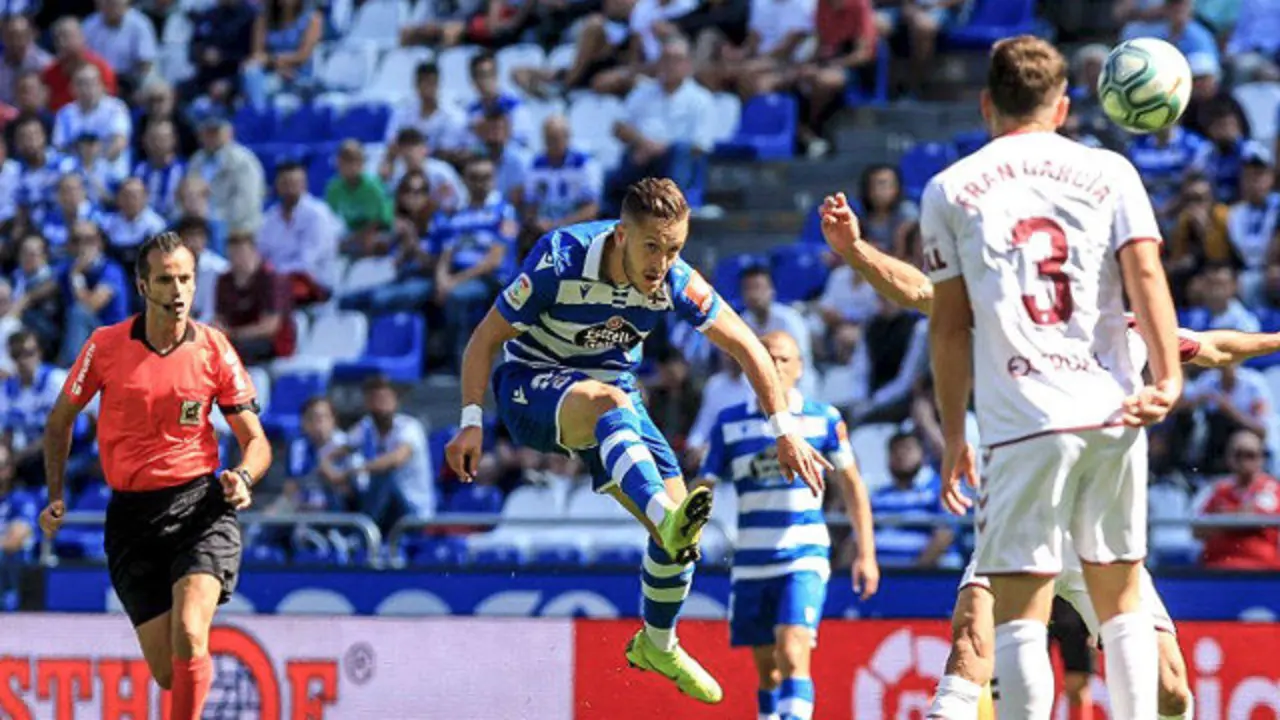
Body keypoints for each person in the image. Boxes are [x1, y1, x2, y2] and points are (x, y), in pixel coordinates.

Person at [816, 193, 1280, 720]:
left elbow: (1220, 347)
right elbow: (924, 292)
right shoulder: (1011, 318)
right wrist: (855, 250)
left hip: (1100, 533)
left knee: (1171, 690)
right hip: (1022, 517)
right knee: (970, 644)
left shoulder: (1133, 332)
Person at [445, 177, 831, 704]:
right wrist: (471, 419)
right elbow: (485, 339)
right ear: (621, 236)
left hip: (615, 398)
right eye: (652, 246)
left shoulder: (676, 279)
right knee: (616, 412)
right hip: (532, 387)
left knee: (681, 540)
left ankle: (658, 642)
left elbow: (747, 346)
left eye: (674, 248)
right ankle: (665, 523)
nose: (663, 262)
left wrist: (783, 429)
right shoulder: (560, 258)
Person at [38, 231, 271, 720]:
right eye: (166, 280)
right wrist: (56, 496)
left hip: (200, 507)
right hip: (132, 520)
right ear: (143, 286)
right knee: (170, 671)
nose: (179, 290)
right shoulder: (104, 346)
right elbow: (59, 422)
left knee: (190, 630)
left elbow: (256, 441)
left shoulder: (214, 348)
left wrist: (244, 478)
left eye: (185, 278)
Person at [697, 330, 878, 720]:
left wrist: (866, 552)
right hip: (750, 559)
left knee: (794, 649)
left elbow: (852, 486)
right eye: (767, 357)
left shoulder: (823, 419)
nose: (775, 366)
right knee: (768, 670)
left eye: (783, 359)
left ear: (799, 367)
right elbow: (704, 487)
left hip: (803, 553)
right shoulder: (728, 423)